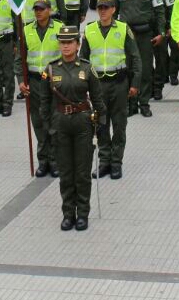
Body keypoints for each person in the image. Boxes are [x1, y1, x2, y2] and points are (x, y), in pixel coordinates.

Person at [48, 26, 104, 232]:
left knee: (81, 172)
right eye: (62, 42)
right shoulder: (52, 69)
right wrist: (49, 127)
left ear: (78, 45)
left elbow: (97, 98)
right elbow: (45, 103)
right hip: (61, 124)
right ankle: (68, 214)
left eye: (69, 42)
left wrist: (102, 125)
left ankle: (82, 213)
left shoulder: (87, 69)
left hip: (82, 124)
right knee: (66, 172)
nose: (65, 46)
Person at [82, 0, 139, 179]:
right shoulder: (90, 30)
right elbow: (83, 60)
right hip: (98, 86)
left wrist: (135, 83)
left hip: (119, 84)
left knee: (119, 124)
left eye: (106, 7)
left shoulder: (123, 29)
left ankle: (116, 163)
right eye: (100, 8)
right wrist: (83, 86)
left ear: (114, 9)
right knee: (100, 125)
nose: (103, 11)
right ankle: (104, 161)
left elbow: (135, 57)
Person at [113, 0, 162, 118]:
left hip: (145, 34)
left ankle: (144, 103)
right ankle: (130, 104)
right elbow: (113, 11)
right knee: (127, 69)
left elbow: (159, 12)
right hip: (126, 35)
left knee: (146, 69)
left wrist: (160, 32)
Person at [20, 0, 63, 177]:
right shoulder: (27, 30)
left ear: (49, 10)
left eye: (42, 9)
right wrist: (20, 81)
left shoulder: (60, 28)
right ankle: (43, 160)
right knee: (37, 122)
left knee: (53, 121)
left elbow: (67, 54)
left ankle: (55, 160)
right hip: (34, 82)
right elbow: (19, 58)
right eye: (36, 9)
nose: (38, 12)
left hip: (53, 83)